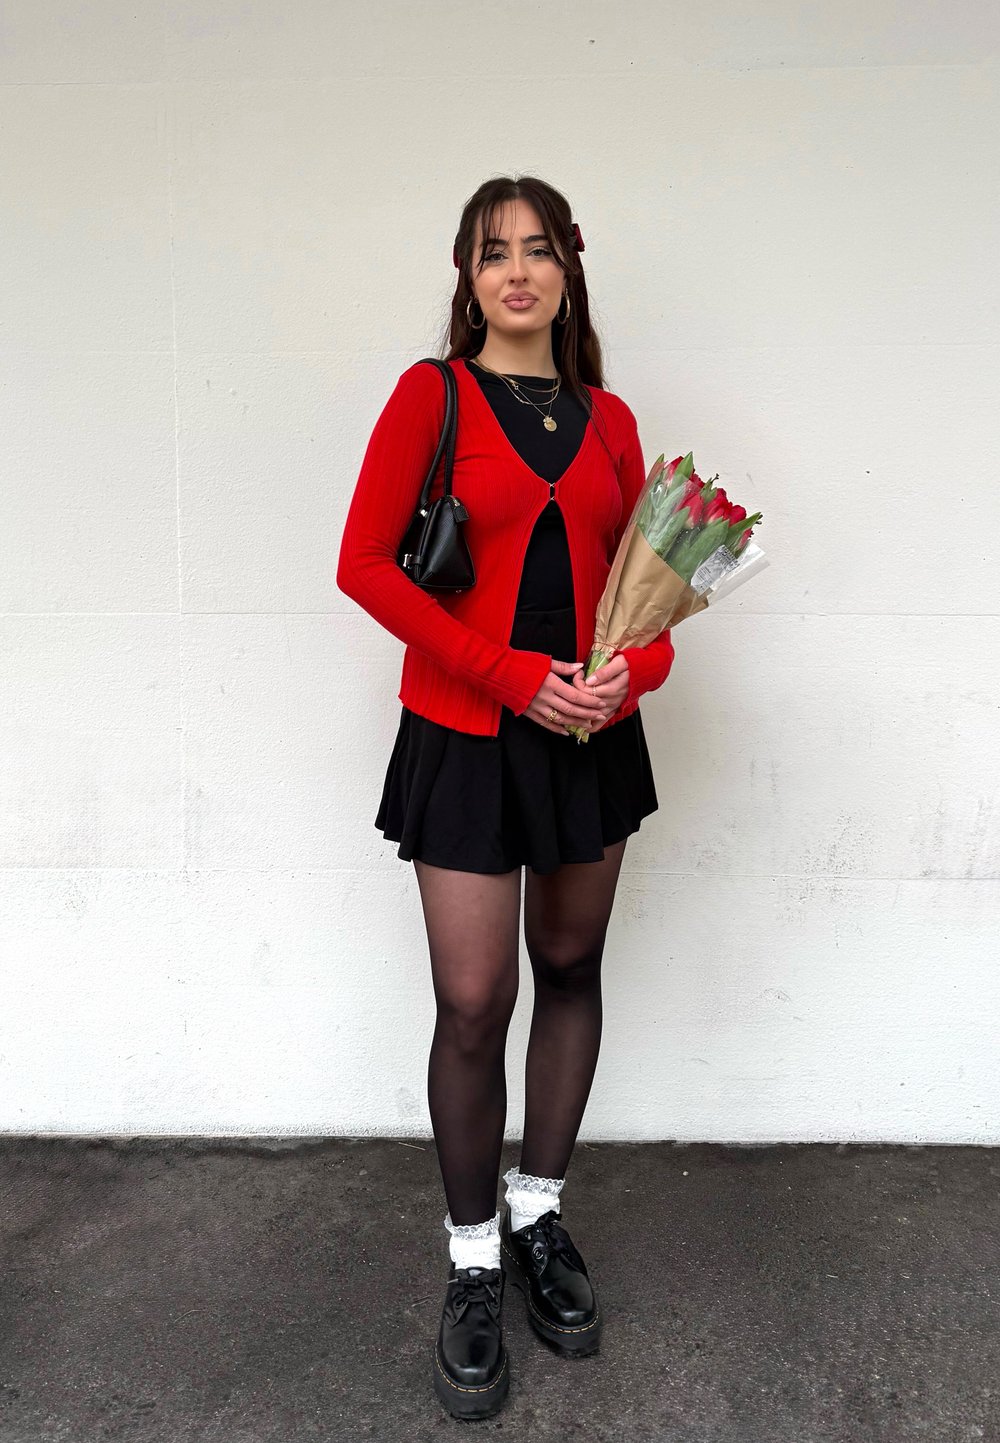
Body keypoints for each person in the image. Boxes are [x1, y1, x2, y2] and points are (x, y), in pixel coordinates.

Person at [336, 174, 675, 1420]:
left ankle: (540, 1215)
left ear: (568, 270)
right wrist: (511, 677)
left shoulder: (612, 418)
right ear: (467, 275)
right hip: (470, 733)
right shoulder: (430, 397)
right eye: (493, 254)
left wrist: (624, 673)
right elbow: (363, 564)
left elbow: (659, 602)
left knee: (570, 971)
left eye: (537, 251)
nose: (516, 272)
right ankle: (472, 1258)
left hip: (587, 739)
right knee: (475, 1003)